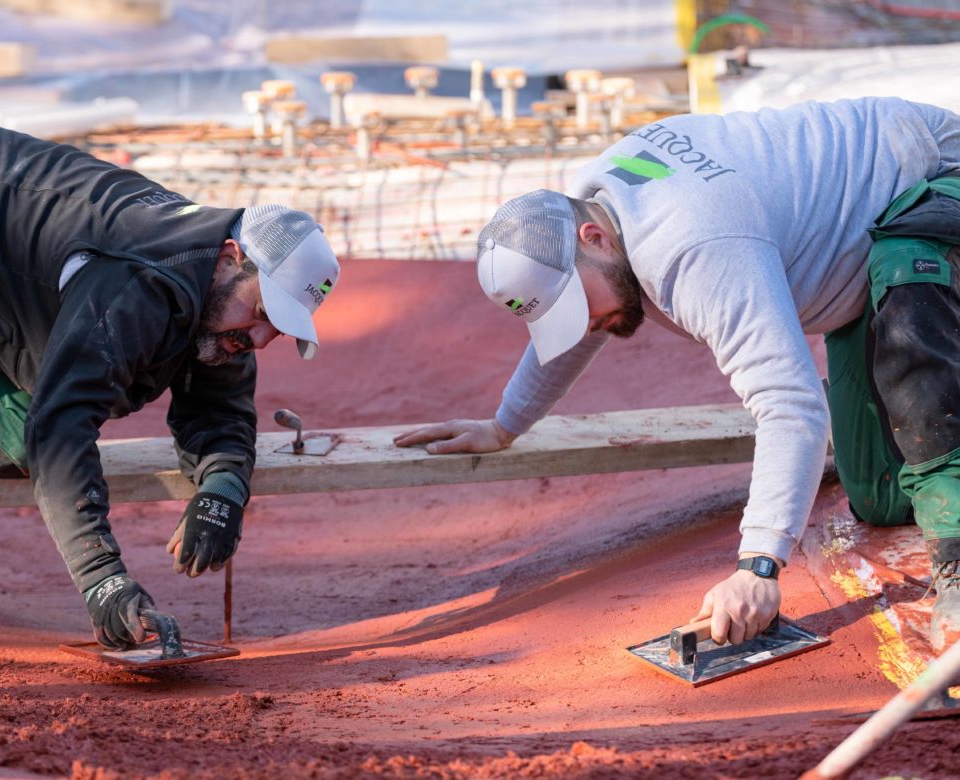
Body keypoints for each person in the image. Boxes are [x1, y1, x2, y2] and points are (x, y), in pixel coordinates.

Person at [395, 97, 960, 652]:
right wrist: (505, 425)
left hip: (938, 184)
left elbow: (787, 404)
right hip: (869, 233)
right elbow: (585, 322)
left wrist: (758, 567)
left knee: (906, 295)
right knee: (881, 500)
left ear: (595, 239)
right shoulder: (598, 208)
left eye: (575, 303)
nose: (586, 322)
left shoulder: (692, 246)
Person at [0, 117, 341, 650]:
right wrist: (103, 581)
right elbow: (63, 425)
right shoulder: (141, 283)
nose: (264, 339)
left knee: (12, 440)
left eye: (281, 328)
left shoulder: (222, 310)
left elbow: (219, 415)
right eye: (264, 312)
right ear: (231, 258)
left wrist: (222, 493)